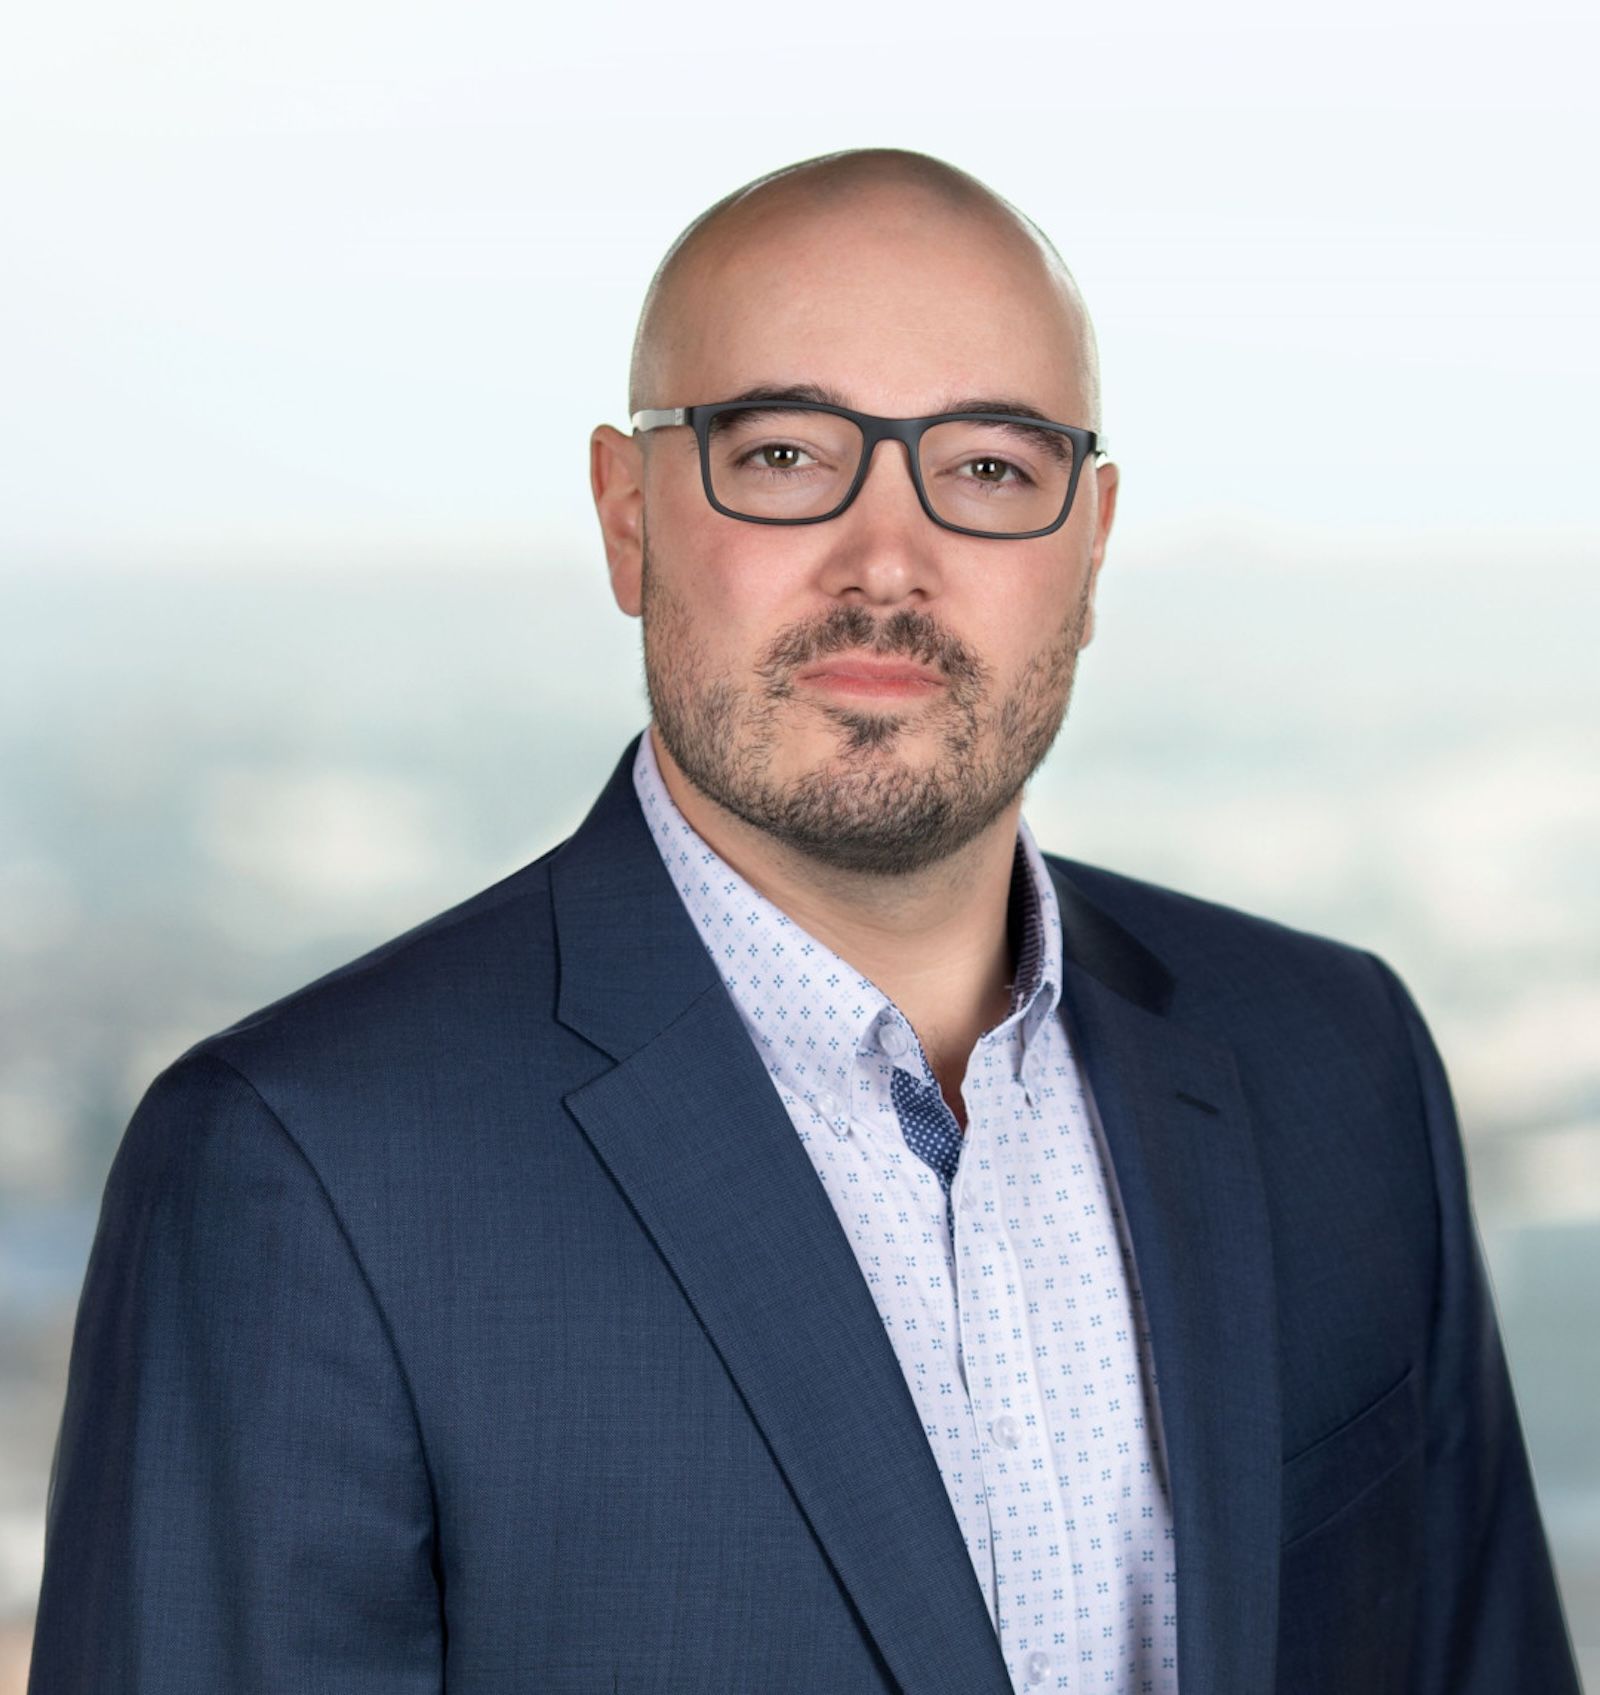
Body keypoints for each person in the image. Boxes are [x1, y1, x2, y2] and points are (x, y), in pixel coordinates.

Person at [27, 149, 1579, 1695]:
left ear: (1089, 548)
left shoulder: (1333, 1060)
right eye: (781, 455)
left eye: (986, 468)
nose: (888, 564)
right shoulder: (304, 1170)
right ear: (627, 517)